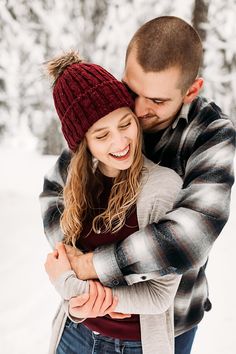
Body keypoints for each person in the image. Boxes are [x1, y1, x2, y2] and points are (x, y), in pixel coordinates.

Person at [40, 16, 236, 354]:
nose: (139, 110)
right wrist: (67, 259)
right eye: (132, 91)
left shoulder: (211, 135)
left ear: (191, 90)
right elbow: (58, 189)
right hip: (83, 321)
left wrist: (89, 267)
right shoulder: (113, 112)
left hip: (165, 324)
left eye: (158, 101)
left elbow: (187, 238)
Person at [42, 50, 183, 354]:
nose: (120, 143)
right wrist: (80, 310)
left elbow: (160, 295)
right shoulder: (76, 188)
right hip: (75, 334)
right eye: (102, 135)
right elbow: (65, 261)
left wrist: (74, 289)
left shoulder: (161, 187)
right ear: (85, 145)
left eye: (125, 124)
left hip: (134, 345)